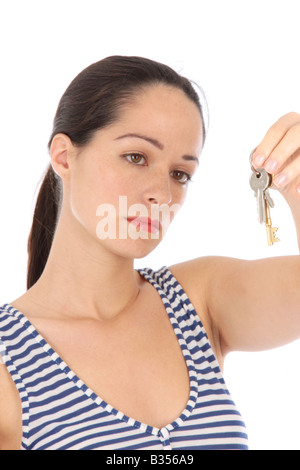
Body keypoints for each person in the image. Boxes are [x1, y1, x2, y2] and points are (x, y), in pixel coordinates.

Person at [0, 56, 299, 451]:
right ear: (64, 156)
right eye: (136, 157)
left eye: (180, 174)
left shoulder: (200, 300)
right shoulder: (10, 361)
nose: (161, 192)